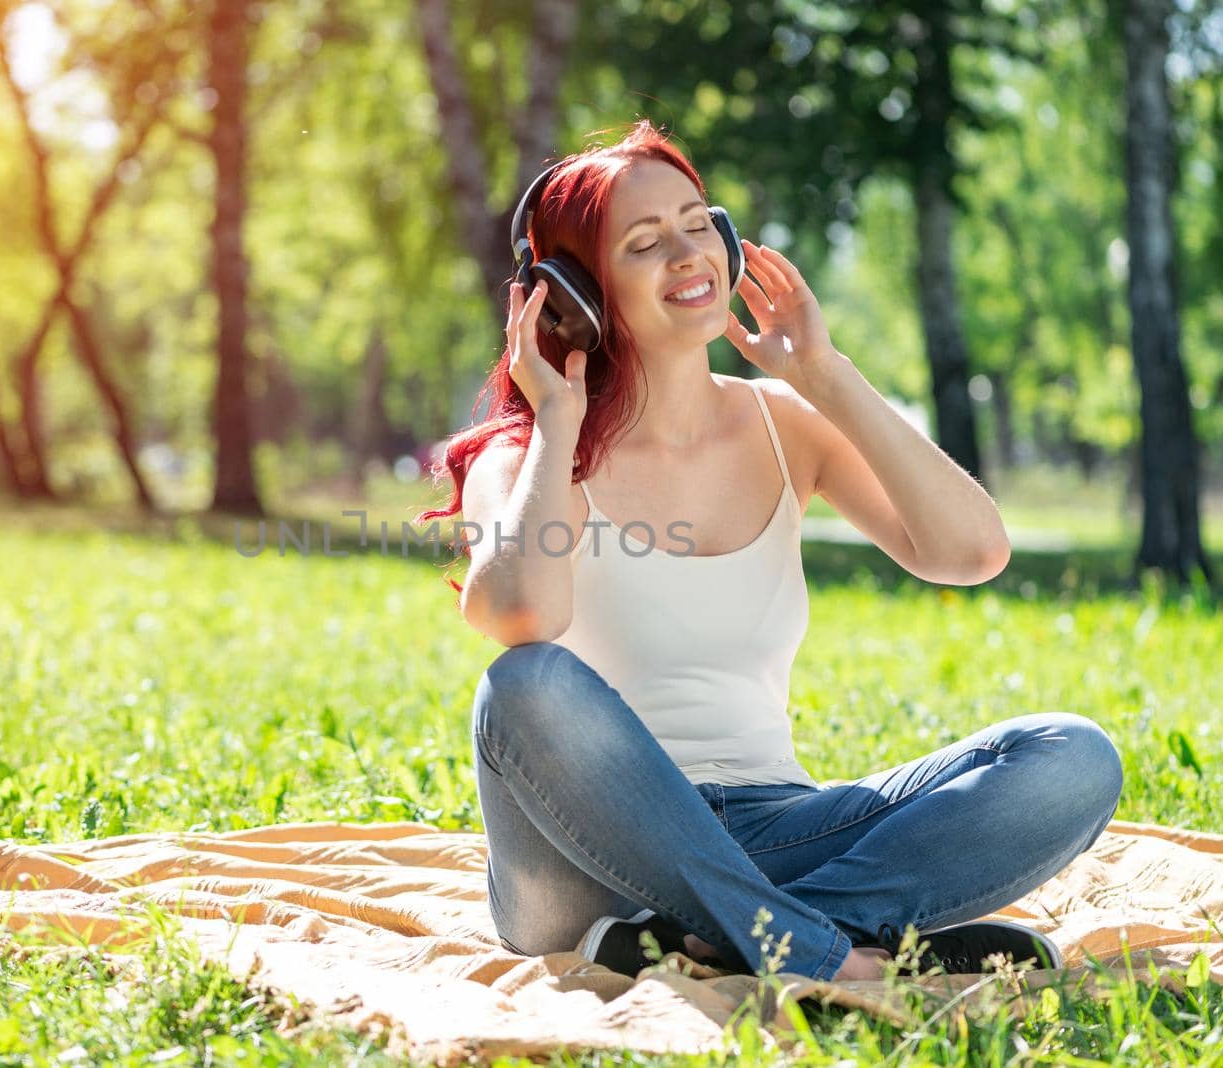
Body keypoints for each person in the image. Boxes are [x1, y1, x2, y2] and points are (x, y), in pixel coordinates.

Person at [416, 120, 1123, 982]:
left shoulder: (783, 425)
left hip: (778, 831)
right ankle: (843, 944)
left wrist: (824, 375)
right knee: (523, 682)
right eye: (644, 244)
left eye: (694, 222)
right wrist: (559, 419)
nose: (689, 254)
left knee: (1070, 754)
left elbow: (971, 552)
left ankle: (745, 940)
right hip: (581, 868)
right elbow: (525, 613)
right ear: (574, 293)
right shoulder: (522, 455)